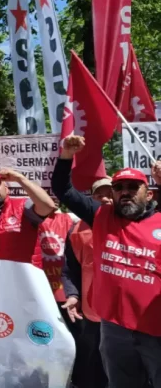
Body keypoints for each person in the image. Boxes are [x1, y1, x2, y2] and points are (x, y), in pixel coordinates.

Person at [52, 135, 161, 388]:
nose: (126, 192)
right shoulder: (101, 216)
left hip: (155, 327)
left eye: (133, 187)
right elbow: (62, 189)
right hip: (115, 329)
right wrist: (66, 155)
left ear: (149, 194)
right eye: (119, 187)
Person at [60, 177, 112, 388]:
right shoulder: (75, 230)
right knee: (93, 368)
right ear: (91, 199)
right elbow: (69, 269)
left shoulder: (129, 224)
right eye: (99, 195)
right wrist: (73, 295)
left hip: (123, 317)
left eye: (109, 194)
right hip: (92, 314)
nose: (105, 199)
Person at [0, 168, 56, 264]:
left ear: (6, 189)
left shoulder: (23, 207)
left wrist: (20, 178)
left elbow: (48, 207)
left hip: (24, 272)